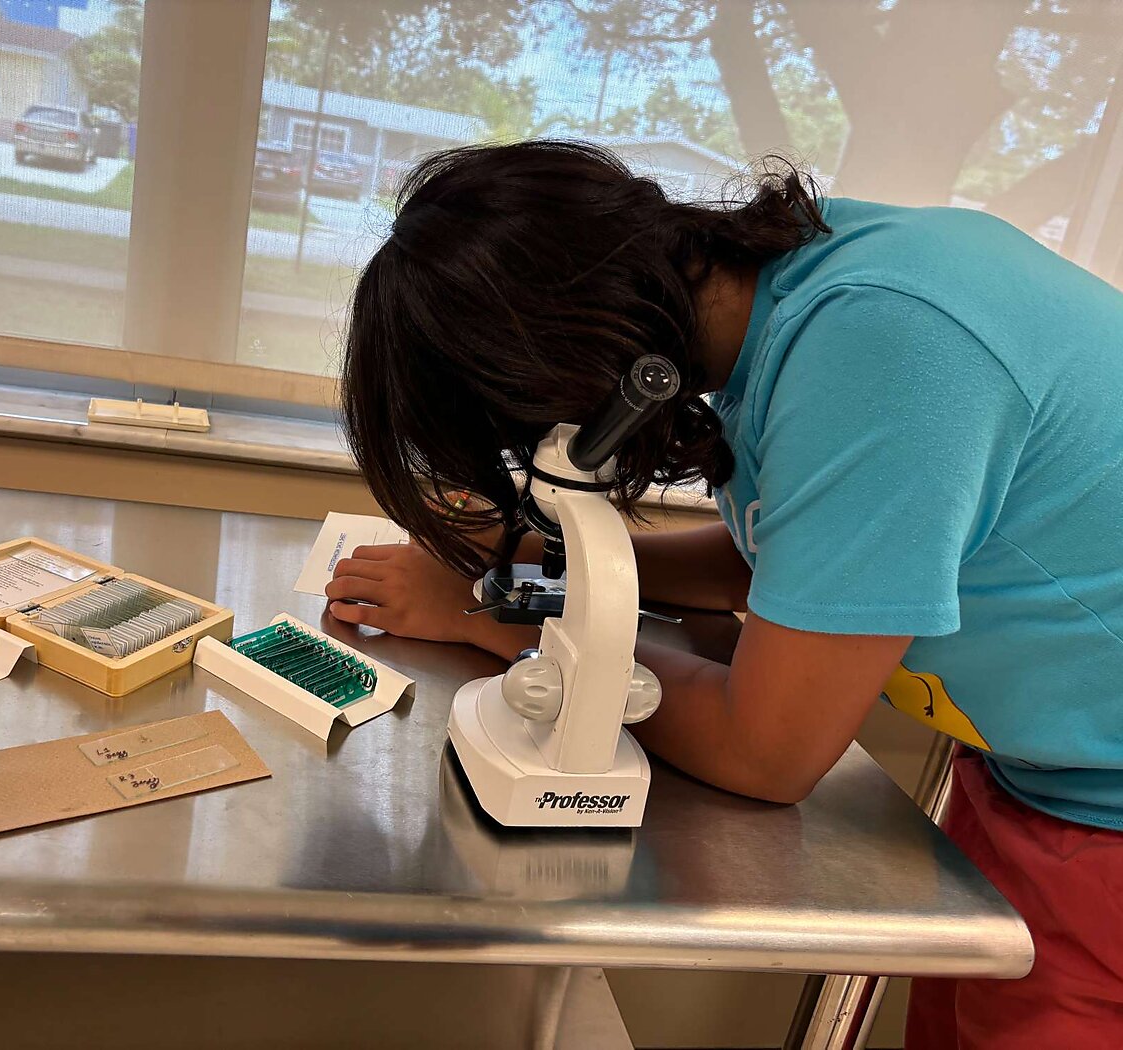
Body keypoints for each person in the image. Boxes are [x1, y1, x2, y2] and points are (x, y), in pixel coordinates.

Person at [326, 140, 1123, 1048]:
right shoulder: (794, 294)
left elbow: (767, 752)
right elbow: (812, 560)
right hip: (1037, 776)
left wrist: (504, 629)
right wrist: (527, 551)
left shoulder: (880, 344)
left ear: (570, 367)